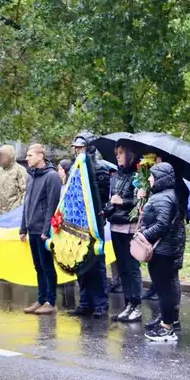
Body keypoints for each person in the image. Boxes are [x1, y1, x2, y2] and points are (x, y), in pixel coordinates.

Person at [140, 162, 185, 342]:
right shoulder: (164, 195)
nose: (149, 179)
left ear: (160, 178)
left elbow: (161, 224)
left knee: (164, 290)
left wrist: (143, 235)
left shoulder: (163, 198)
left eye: (152, 176)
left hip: (162, 250)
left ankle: (167, 327)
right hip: (163, 249)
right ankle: (166, 323)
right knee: (163, 289)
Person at [67, 133, 108, 318]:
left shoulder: (99, 168)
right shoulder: (74, 167)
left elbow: (103, 197)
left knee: (96, 264)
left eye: (81, 147)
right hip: (78, 222)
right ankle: (85, 303)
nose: (77, 150)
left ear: (89, 147)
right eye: (76, 147)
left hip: (93, 223)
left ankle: (100, 304)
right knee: (80, 262)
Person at [20, 144, 62, 315]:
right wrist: (23, 227)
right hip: (32, 229)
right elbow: (27, 204)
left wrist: (46, 231)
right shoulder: (31, 176)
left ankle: (51, 301)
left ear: (40, 156)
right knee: (38, 266)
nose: (27, 158)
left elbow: (52, 206)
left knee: (47, 266)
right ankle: (41, 299)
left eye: (30, 155)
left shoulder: (52, 176)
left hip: (44, 231)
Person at [105, 143, 141, 322]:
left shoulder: (139, 175)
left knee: (132, 267)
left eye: (121, 153)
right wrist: (108, 208)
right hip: (115, 225)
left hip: (130, 227)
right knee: (122, 268)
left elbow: (139, 201)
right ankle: (128, 305)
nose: (118, 156)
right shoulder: (115, 176)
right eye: (116, 153)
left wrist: (122, 202)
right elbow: (111, 199)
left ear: (130, 155)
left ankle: (136, 305)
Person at [0, 145, 28, 216]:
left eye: (3, 156)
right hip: (0, 212)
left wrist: (20, 211)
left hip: (14, 213)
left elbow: (25, 192)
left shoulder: (20, 170)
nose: (0, 158)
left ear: (10, 156)